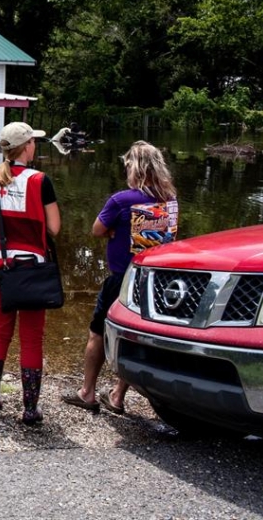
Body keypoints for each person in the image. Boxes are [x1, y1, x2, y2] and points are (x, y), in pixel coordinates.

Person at [62, 141, 177, 414]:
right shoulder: (170, 201)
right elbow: (170, 237)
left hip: (121, 279)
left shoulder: (122, 199)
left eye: (127, 166)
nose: (126, 172)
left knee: (98, 333)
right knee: (133, 336)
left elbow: (97, 230)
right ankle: (116, 395)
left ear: (136, 169)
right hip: (154, 281)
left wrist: (116, 232)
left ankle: (87, 392)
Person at [0, 121, 61, 425]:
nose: (35, 146)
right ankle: (30, 408)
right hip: (31, 271)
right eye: (34, 142)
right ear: (27, 147)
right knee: (32, 338)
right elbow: (54, 229)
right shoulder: (40, 180)